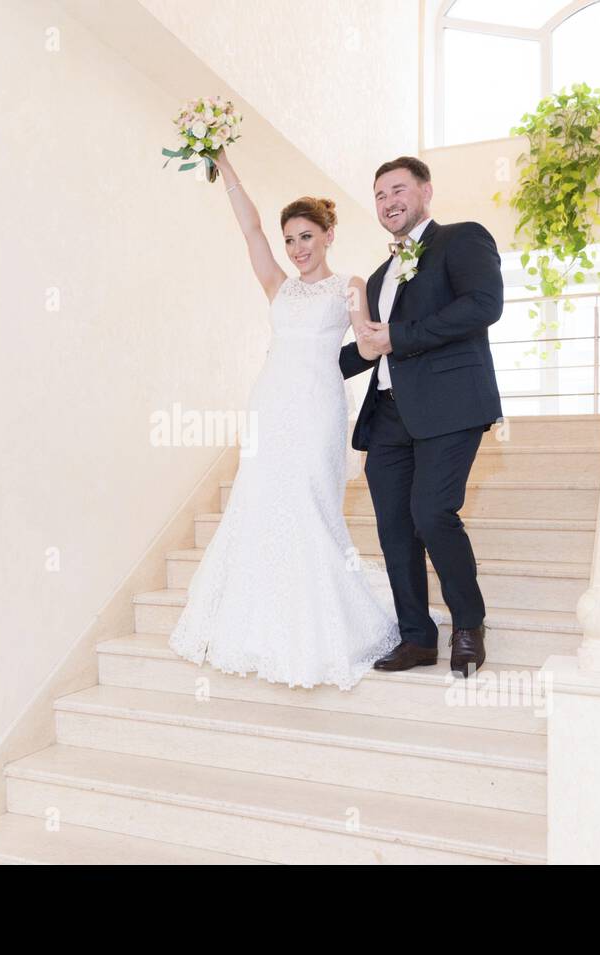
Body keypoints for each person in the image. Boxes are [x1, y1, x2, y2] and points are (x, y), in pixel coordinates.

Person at [167, 148, 400, 691]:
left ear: (327, 235)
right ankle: (262, 623)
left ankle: (322, 626)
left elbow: (365, 348)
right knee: (263, 503)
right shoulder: (278, 285)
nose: (296, 249)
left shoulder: (350, 286)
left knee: (310, 504)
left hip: (318, 407)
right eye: (290, 239)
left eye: (306, 237)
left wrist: (385, 340)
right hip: (271, 405)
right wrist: (223, 162)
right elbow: (250, 230)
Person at [340, 157, 504, 677]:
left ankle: (468, 625)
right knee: (393, 529)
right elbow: (367, 345)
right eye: (380, 195)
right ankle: (416, 637)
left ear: (425, 191)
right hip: (387, 415)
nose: (389, 202)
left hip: (450, 406)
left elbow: (483, 304)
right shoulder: (376, 275)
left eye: (398, 190)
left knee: (432, 514)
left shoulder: (462, 239)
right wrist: (304, 365)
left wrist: (399, 337)